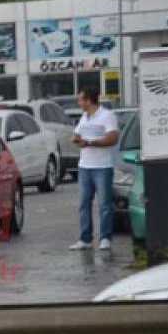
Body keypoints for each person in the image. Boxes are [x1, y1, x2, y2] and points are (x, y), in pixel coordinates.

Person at [69, 86, 120, 251]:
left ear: (89, 100)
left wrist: (90, 142)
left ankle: (105, 238)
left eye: (80, 100)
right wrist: (76, 139)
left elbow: (113, 138)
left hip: (102, 167)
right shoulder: (84, 117)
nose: (79, 103)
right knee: (84, 204)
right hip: (84, 166)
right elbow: (77, 134)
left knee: (105, 204)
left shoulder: (107, 115)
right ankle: (85, 239)